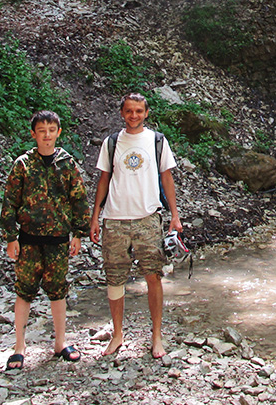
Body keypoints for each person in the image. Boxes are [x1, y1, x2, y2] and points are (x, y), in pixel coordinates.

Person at [89, 92, 183, 359]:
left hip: (148, 218)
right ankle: (118, 334)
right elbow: (104, 180)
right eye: (129, 111)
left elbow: (167, 179)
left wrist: (174, 215)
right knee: (115, 278)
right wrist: (95, 216)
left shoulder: (156, 141)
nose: (133, 115)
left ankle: (156, 336)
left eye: (138, 111)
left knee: (153, 276)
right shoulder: (111, 143)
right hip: (115, 219)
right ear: (122, 113)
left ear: (146, 113)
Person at [0, 110, 90, 371]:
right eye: (42, 131)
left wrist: (79, 234)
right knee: (23, 292)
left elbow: (79, 200)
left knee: (58, 291)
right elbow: (9, 202)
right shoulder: (23, 164)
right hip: (28, 241)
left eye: (51, 130)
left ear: (58, 132)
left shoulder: (67, 163)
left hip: (59, 241)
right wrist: (10, 237)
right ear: (34, 134)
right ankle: (19, 347)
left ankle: (60, 343)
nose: (47, 135)